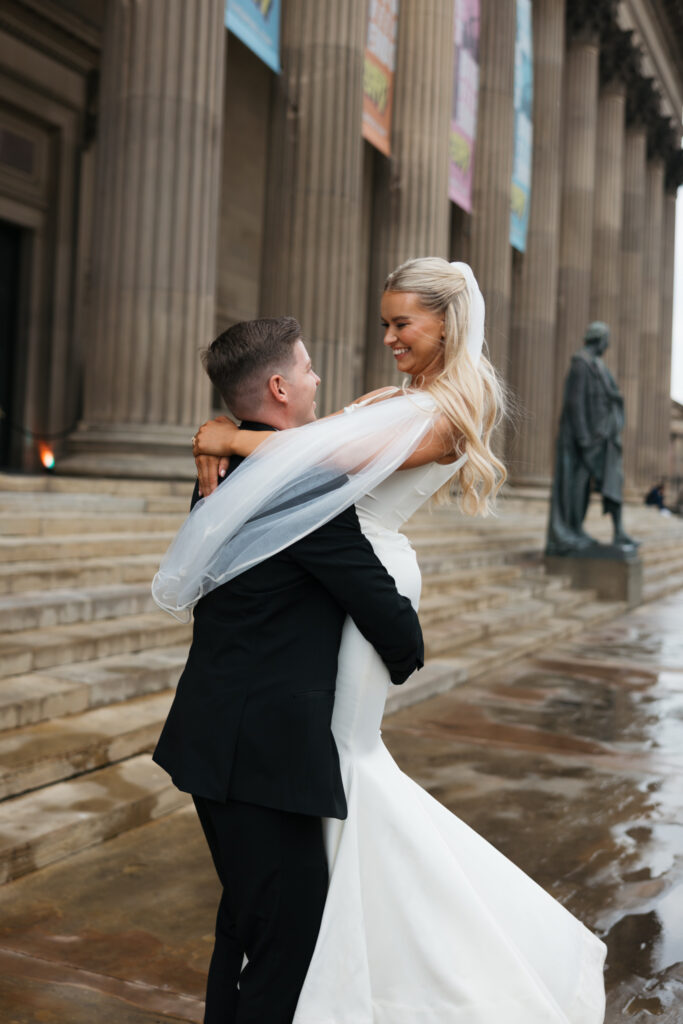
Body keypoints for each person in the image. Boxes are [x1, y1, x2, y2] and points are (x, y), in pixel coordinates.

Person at [155, 258, 606, 1022]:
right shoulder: (395, 401)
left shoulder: (439, 413)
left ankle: (344, 943)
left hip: (362, 577)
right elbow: (306, 456)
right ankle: (315, 931)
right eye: (386, 322)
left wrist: (228, 433)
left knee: (342, 761)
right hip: (326, 572)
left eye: (403, 322)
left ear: (446, 322)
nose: (388, 337)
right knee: (326, 773)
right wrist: (231, 435)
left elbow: (312, 458)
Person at [152, 316, 426, 1024]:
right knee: (285, 945)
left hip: (218, 738)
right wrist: (403, 648)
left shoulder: (228, 464)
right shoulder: (300, 486)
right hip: (263, 757)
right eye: (305, 370)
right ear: (277, 386)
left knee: (244, 927)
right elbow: (380, 608)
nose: (316, 380)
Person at [546, 321, 636, 555]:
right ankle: (570, 530)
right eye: (606, 339)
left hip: (600, 437)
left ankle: (593, 529)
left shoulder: (598, 365)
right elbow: (575, 403)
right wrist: (584, 437)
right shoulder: (581, 364)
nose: (608, 344)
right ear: (600, 339)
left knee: (596, 483)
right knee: (576, 486)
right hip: (582, 439)